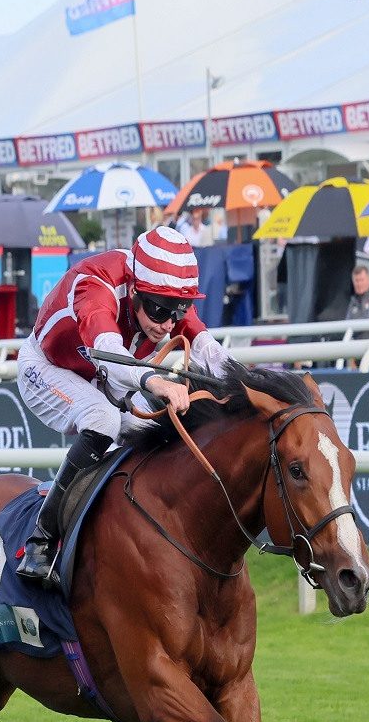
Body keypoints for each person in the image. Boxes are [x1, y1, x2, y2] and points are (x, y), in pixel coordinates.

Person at [13, 225, 223, 587]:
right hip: (48, 367)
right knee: (103, 418)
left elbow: (208, 348)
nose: (169, 324)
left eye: (179, 310)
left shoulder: (165, 298)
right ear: (136, 289)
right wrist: (155, 382)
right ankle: (42, 538)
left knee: (150, 433)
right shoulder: (96, 284)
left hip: (102, 375)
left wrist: (250, 386)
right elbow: (109, 351)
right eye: (159, 311)